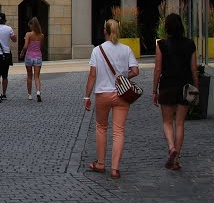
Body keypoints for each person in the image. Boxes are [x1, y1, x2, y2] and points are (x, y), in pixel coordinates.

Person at [83, 19, 140, 179]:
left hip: (102, 94)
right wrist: (122, 76)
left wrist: (87, 96)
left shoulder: (97, 50)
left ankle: (100, 163)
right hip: (122, 95)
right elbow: (135, 71)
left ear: (105, 31)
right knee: (119, 131)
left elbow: (92, 75)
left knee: (101, 127)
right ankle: (115, 168)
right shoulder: (126, 49)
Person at [152, 12, 198, 172]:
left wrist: (154, 90)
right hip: (185, 87)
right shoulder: (190, 44)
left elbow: (158, 68)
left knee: (167, 122)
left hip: (167, 86)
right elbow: (194, 69)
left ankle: (171, 148)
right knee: (180, 123)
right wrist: (196, 88)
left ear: (166, 27)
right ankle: (176, 160)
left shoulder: (162, 45)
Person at [19, 17, 45, 101]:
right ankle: (38, 92)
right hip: (38, 57)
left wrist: (22, 53)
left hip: (29, 57)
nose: (29, 27)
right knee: (37, 76)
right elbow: (41, 47)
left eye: (29, 25)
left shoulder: (28, 34)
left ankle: (29, 95)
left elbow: (26, 46)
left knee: (29, 76)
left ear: (31, 25)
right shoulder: (41, 35)